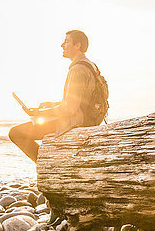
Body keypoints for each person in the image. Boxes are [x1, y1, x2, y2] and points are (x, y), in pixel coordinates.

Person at [9, 30, 100, 163]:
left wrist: (42, 113)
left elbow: (70, 109)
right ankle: (47, 162)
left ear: (77, 46)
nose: (62, 45)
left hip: (75, 122)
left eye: (66, 41)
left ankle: (44, 163)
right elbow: (78, 101)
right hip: (85, 118)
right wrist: (52, 105)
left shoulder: (77, 69)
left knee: (15, 133)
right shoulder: (89, 65)